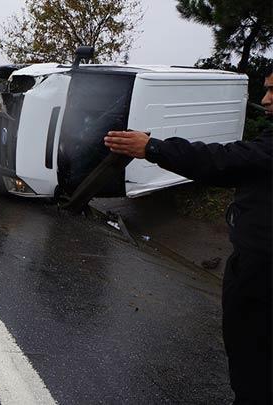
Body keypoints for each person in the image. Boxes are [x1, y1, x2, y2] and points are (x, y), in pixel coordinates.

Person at [104, 68, 273, 404]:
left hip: (262, 276)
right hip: (255, 267)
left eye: (272, 91)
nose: (265, 100)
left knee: (254, 364)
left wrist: (153, 148)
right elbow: (236, 168)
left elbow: (224, 161)